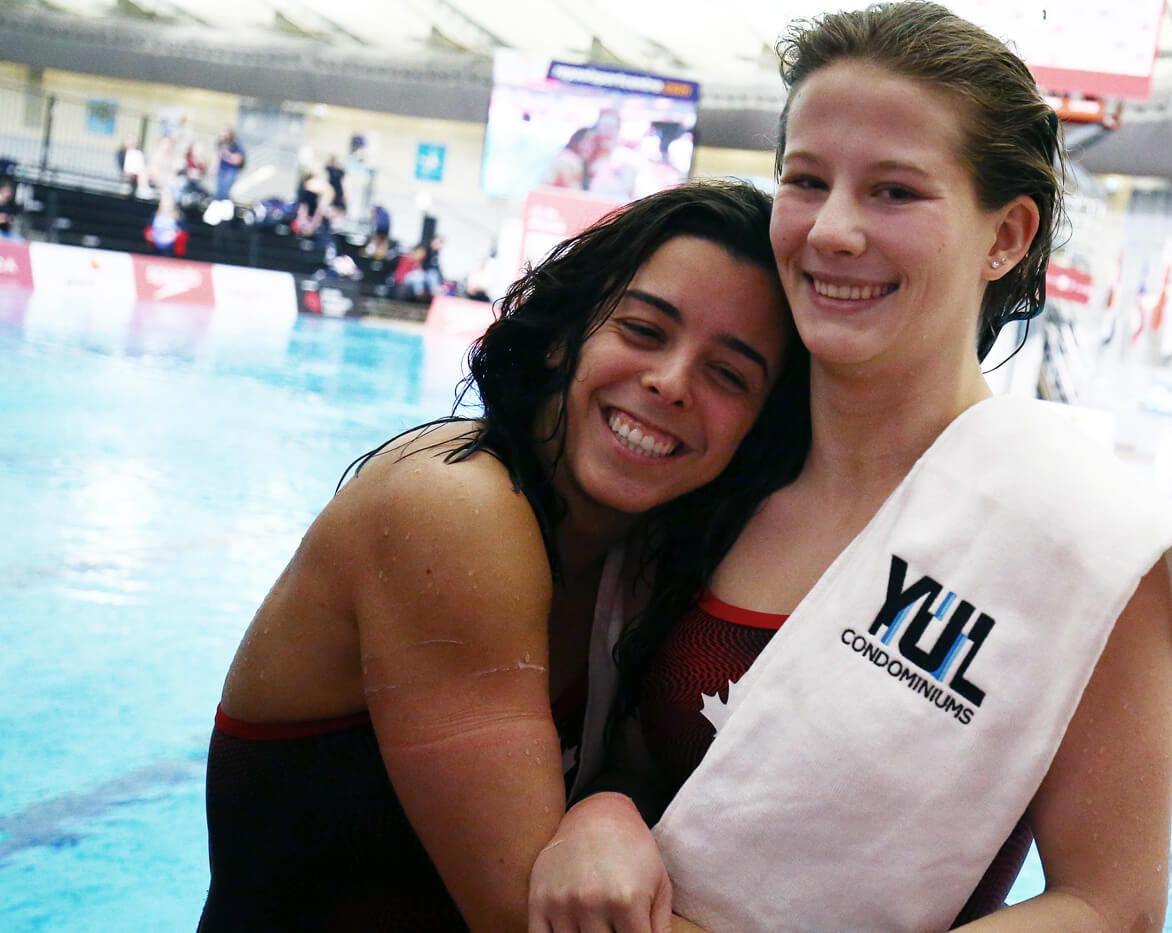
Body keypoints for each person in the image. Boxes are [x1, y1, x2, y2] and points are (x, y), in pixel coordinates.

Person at [527, 4, 1172, 933]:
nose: (834, 232)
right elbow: (641, 759)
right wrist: (598, 814)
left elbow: (1109, 906)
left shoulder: (1078, 535)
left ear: (1007, 235)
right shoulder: (719, 470)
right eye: (807, 180)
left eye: (895, 192)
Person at [197, 180, 811, 933]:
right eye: (644, 330)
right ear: (564, 334)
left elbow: (633, 773)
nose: (670, 382)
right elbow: (531, 920)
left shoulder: (640, 561)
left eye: (729, 374)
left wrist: (607, 809)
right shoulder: (453, 504)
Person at [214, 127, 246, 201]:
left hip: (231, 171)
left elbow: (237, 160)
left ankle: (227, 207)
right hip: (221, 170)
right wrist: (216, 168)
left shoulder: (235, 145)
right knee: (219, 193)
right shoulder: (220, 143)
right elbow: (218, 157)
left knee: (225, 192)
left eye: (224, 132)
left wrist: (227, 154)